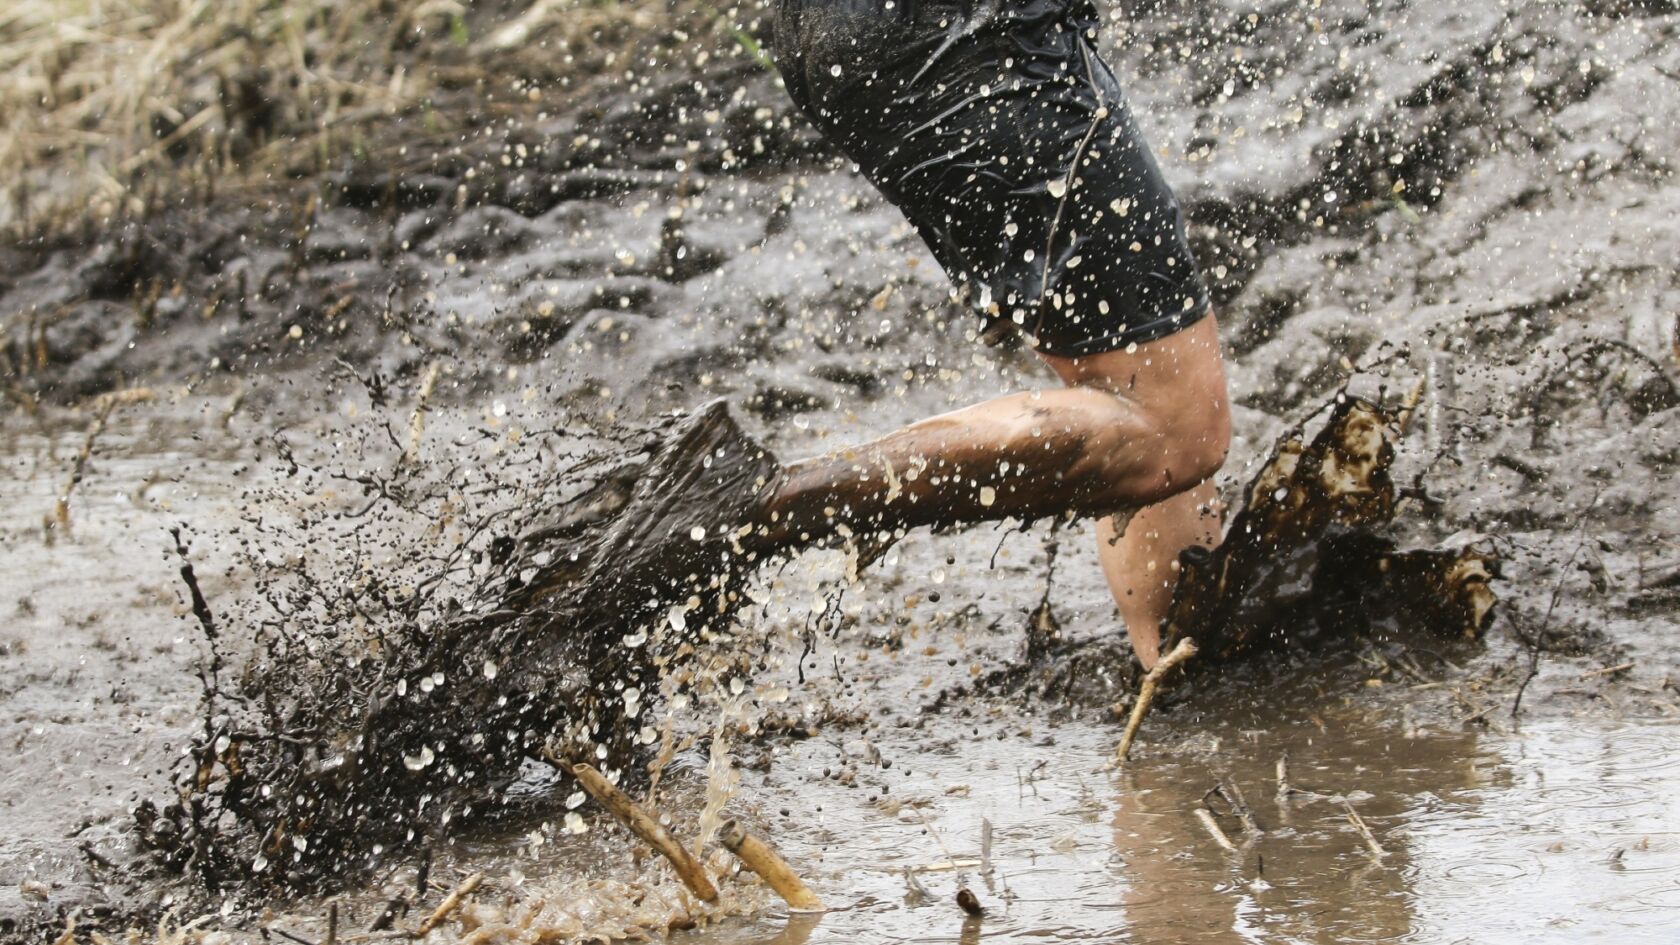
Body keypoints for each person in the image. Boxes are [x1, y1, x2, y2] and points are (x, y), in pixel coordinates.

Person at [751, 0, 1232, 669]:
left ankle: (1185, 680)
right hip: (956, 31)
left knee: (1132, 380)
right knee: (1175, 422)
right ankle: (779, 503)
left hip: (842, 30)